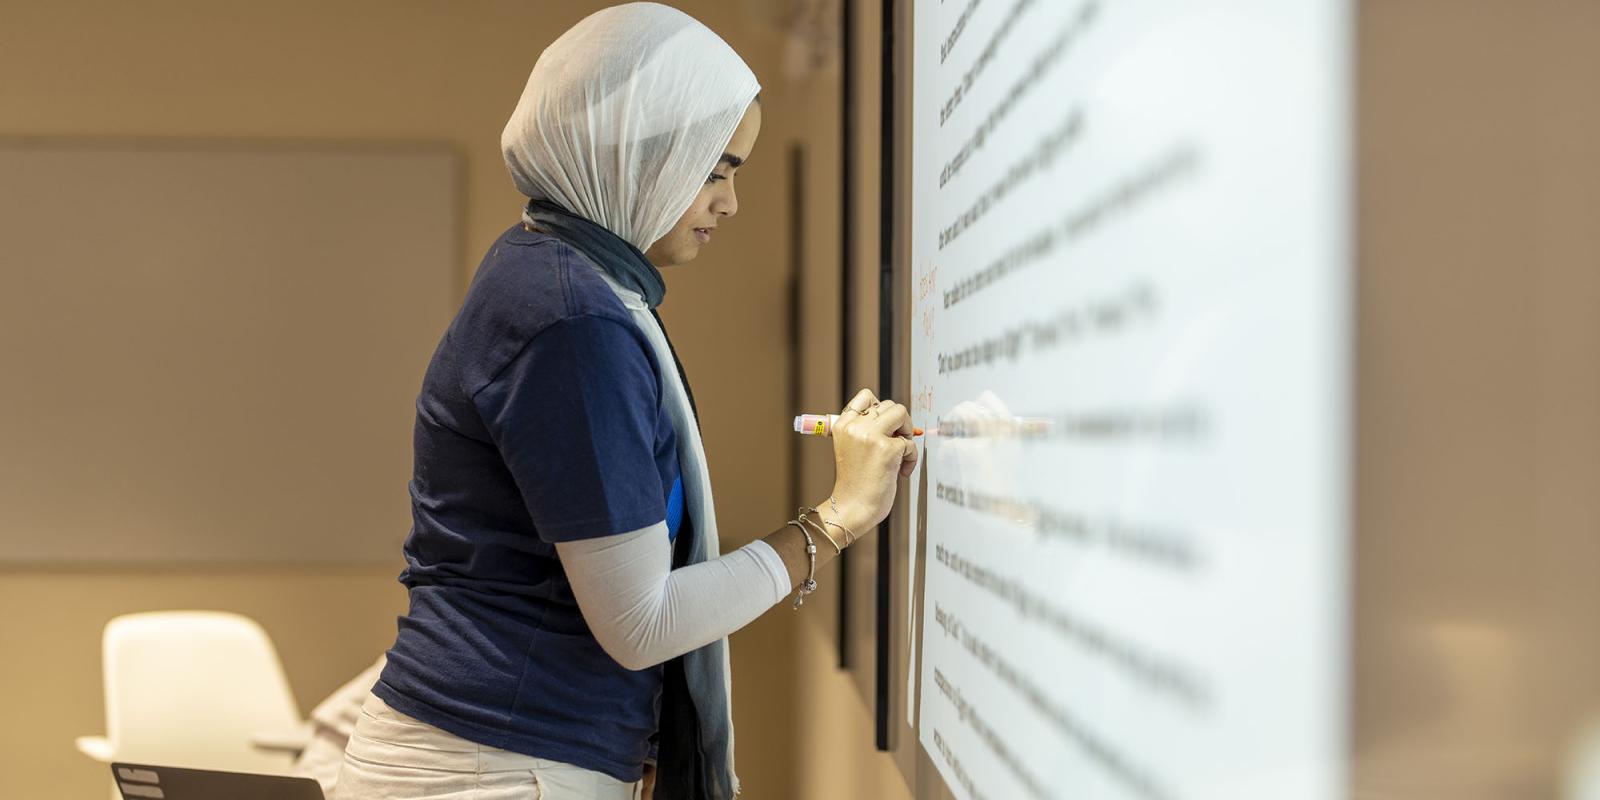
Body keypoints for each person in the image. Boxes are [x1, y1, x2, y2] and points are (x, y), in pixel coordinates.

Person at [333, 4, 917, 800]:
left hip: (502, 753)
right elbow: (641, 624)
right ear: (639, 159)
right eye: (714, 171)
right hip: (489, 768)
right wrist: (837, 519)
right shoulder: (570, 317)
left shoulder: (558, 277)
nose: (730, 204)